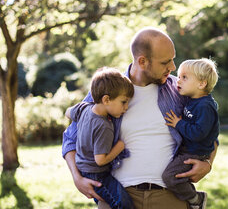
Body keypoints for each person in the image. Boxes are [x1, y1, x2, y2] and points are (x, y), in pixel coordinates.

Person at [62, 27, 218, 209]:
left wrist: (208, 164)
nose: (173, 67)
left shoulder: (180, 90)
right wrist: (77, 178)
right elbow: (70, 138)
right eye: (165, 62)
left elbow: (211, 131)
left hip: (169, 196)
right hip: (118, 195)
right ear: (143, 61)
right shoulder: (108, 90)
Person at [65, 67, 135, 209]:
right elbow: (101, 160)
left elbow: (67, 112)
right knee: (123, 203)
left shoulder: (83, 108)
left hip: (83, 168)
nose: (126, 107)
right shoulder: (104, 126)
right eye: (123, 102)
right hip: (97, 174)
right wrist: (120, 146)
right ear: (106, 99)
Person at [162, 58, 219, 209]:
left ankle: (195, 199)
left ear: (202, 83)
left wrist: (178, 123)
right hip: (188, 150)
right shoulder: (192, 99)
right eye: (179, 77)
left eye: (184, 77)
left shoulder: (205, 106)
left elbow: (199, 133)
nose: (178, 81)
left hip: (194, 153)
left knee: (168, 177)